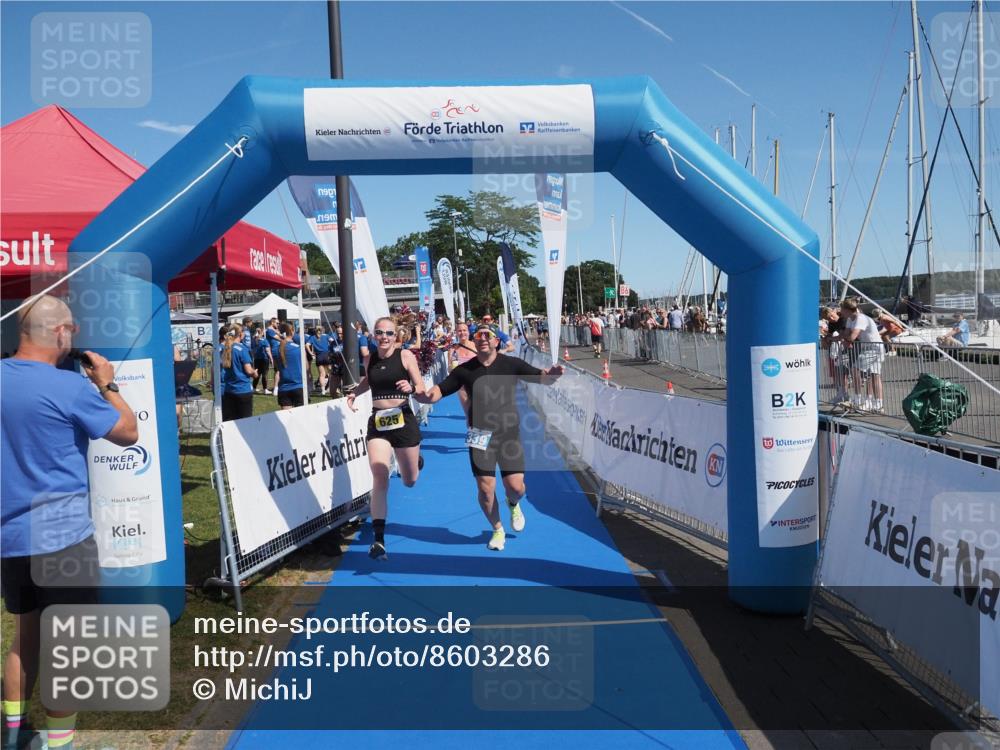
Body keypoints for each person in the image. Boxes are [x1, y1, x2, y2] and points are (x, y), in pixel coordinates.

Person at [1, 295, 138, 750]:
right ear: (60, 333)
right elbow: (127, 432)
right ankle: (60, 743)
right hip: (63, 540)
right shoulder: (70, 387)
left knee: (26, 637)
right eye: (72, 330)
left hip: (11, 538)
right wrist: (108, 384)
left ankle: (13, 734)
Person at [414, 327, 564, 552]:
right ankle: (497, 529)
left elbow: (542, 378)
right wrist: (425, 395)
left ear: (497, 341)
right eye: (478, 336)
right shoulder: (464, 370)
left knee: (515, 487)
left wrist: (552, 374)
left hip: (508, 434)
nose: (482, 339)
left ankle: (513, 503)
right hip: (479, 435)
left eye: (488, 335)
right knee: (485, 489)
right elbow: (440, 390)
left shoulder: (511, 364)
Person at [346, 316, 426, 560]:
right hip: (378, 421)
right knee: (379, 473)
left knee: (410, 481)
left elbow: (421, 387)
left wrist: (411, 388)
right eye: (379, 332)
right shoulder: (370, 357)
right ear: (373, 335)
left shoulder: (405, 356)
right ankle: (378, 540)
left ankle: (415, 462)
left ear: (396, 336)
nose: (384, 337)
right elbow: (369, 381)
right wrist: (354, 393)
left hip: (403, 419)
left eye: (389, 333)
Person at [840, 298, 885, 413]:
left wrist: (845, 340)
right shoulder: (851, 319)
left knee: (855, 369)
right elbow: (846, 334)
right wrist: (832, 338)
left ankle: (857, 400)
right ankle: (877, 405)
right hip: (872, 347)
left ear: (847, 310)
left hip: (874, 348)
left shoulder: (860, 319)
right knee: (874, 375)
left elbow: (851, 337)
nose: (841, 312)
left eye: (842, 310)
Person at [220, 324, 257, 421]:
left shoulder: (226, 349)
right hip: (242, 390)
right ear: (240, 334)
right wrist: (254, 373)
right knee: (245, 422)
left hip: (229, 390)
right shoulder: (242, 349)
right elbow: (249, 370)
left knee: (231, 421)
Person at [275, 322, 304, 410]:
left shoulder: (277, 349)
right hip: (298, 386)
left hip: (284, 388)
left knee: (286, 421)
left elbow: (277, 367)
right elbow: (306, 367)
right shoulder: (299, 348)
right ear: (292, 331)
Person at [252, 325, 272, 393]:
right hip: (264, 359)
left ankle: (254, 388)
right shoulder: (264, 340)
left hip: (256, 359)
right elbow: (268, 350)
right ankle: (265, 389)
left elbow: (252, 350)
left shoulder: (253, 340)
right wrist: (271, 359)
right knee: (264, 374)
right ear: (262, 332)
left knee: (257, 373)